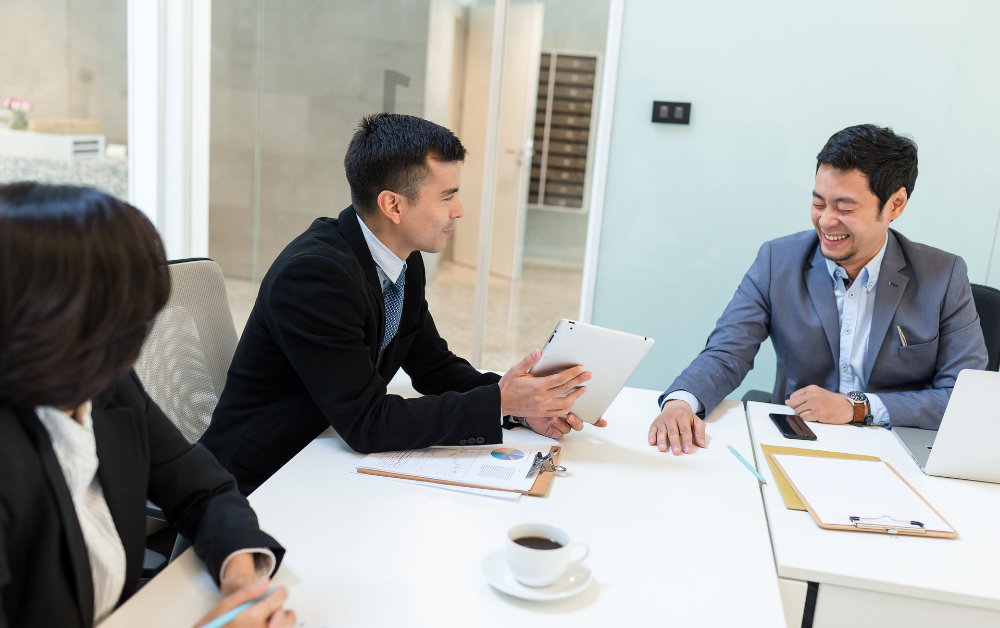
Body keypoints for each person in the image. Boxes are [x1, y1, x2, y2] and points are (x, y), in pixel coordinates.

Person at [201, 113, 605, 495]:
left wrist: (524, 403)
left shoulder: (401, 257)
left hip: (323, 452)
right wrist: (502, 400)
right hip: (261, 479)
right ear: (393, 205)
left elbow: (435, 369)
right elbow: (367, 423)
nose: (459, 211)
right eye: (447, 197)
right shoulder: (314, 277)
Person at [0, 183, 295, 628]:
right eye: (118, 317)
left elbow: (203, 488)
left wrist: (238, 576)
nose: (138, 337)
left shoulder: (100, 384)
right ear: (43, 319)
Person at [649, 124, 988, 455]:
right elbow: (726, 353)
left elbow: (964, 399)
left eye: (845, 208)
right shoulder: (777, 261)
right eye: (818, 203)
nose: (826, 220)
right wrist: (682, 401)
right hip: (799, 445)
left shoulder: (942, 277)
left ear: (895, 205)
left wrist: (857, 409)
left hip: (898, 451)